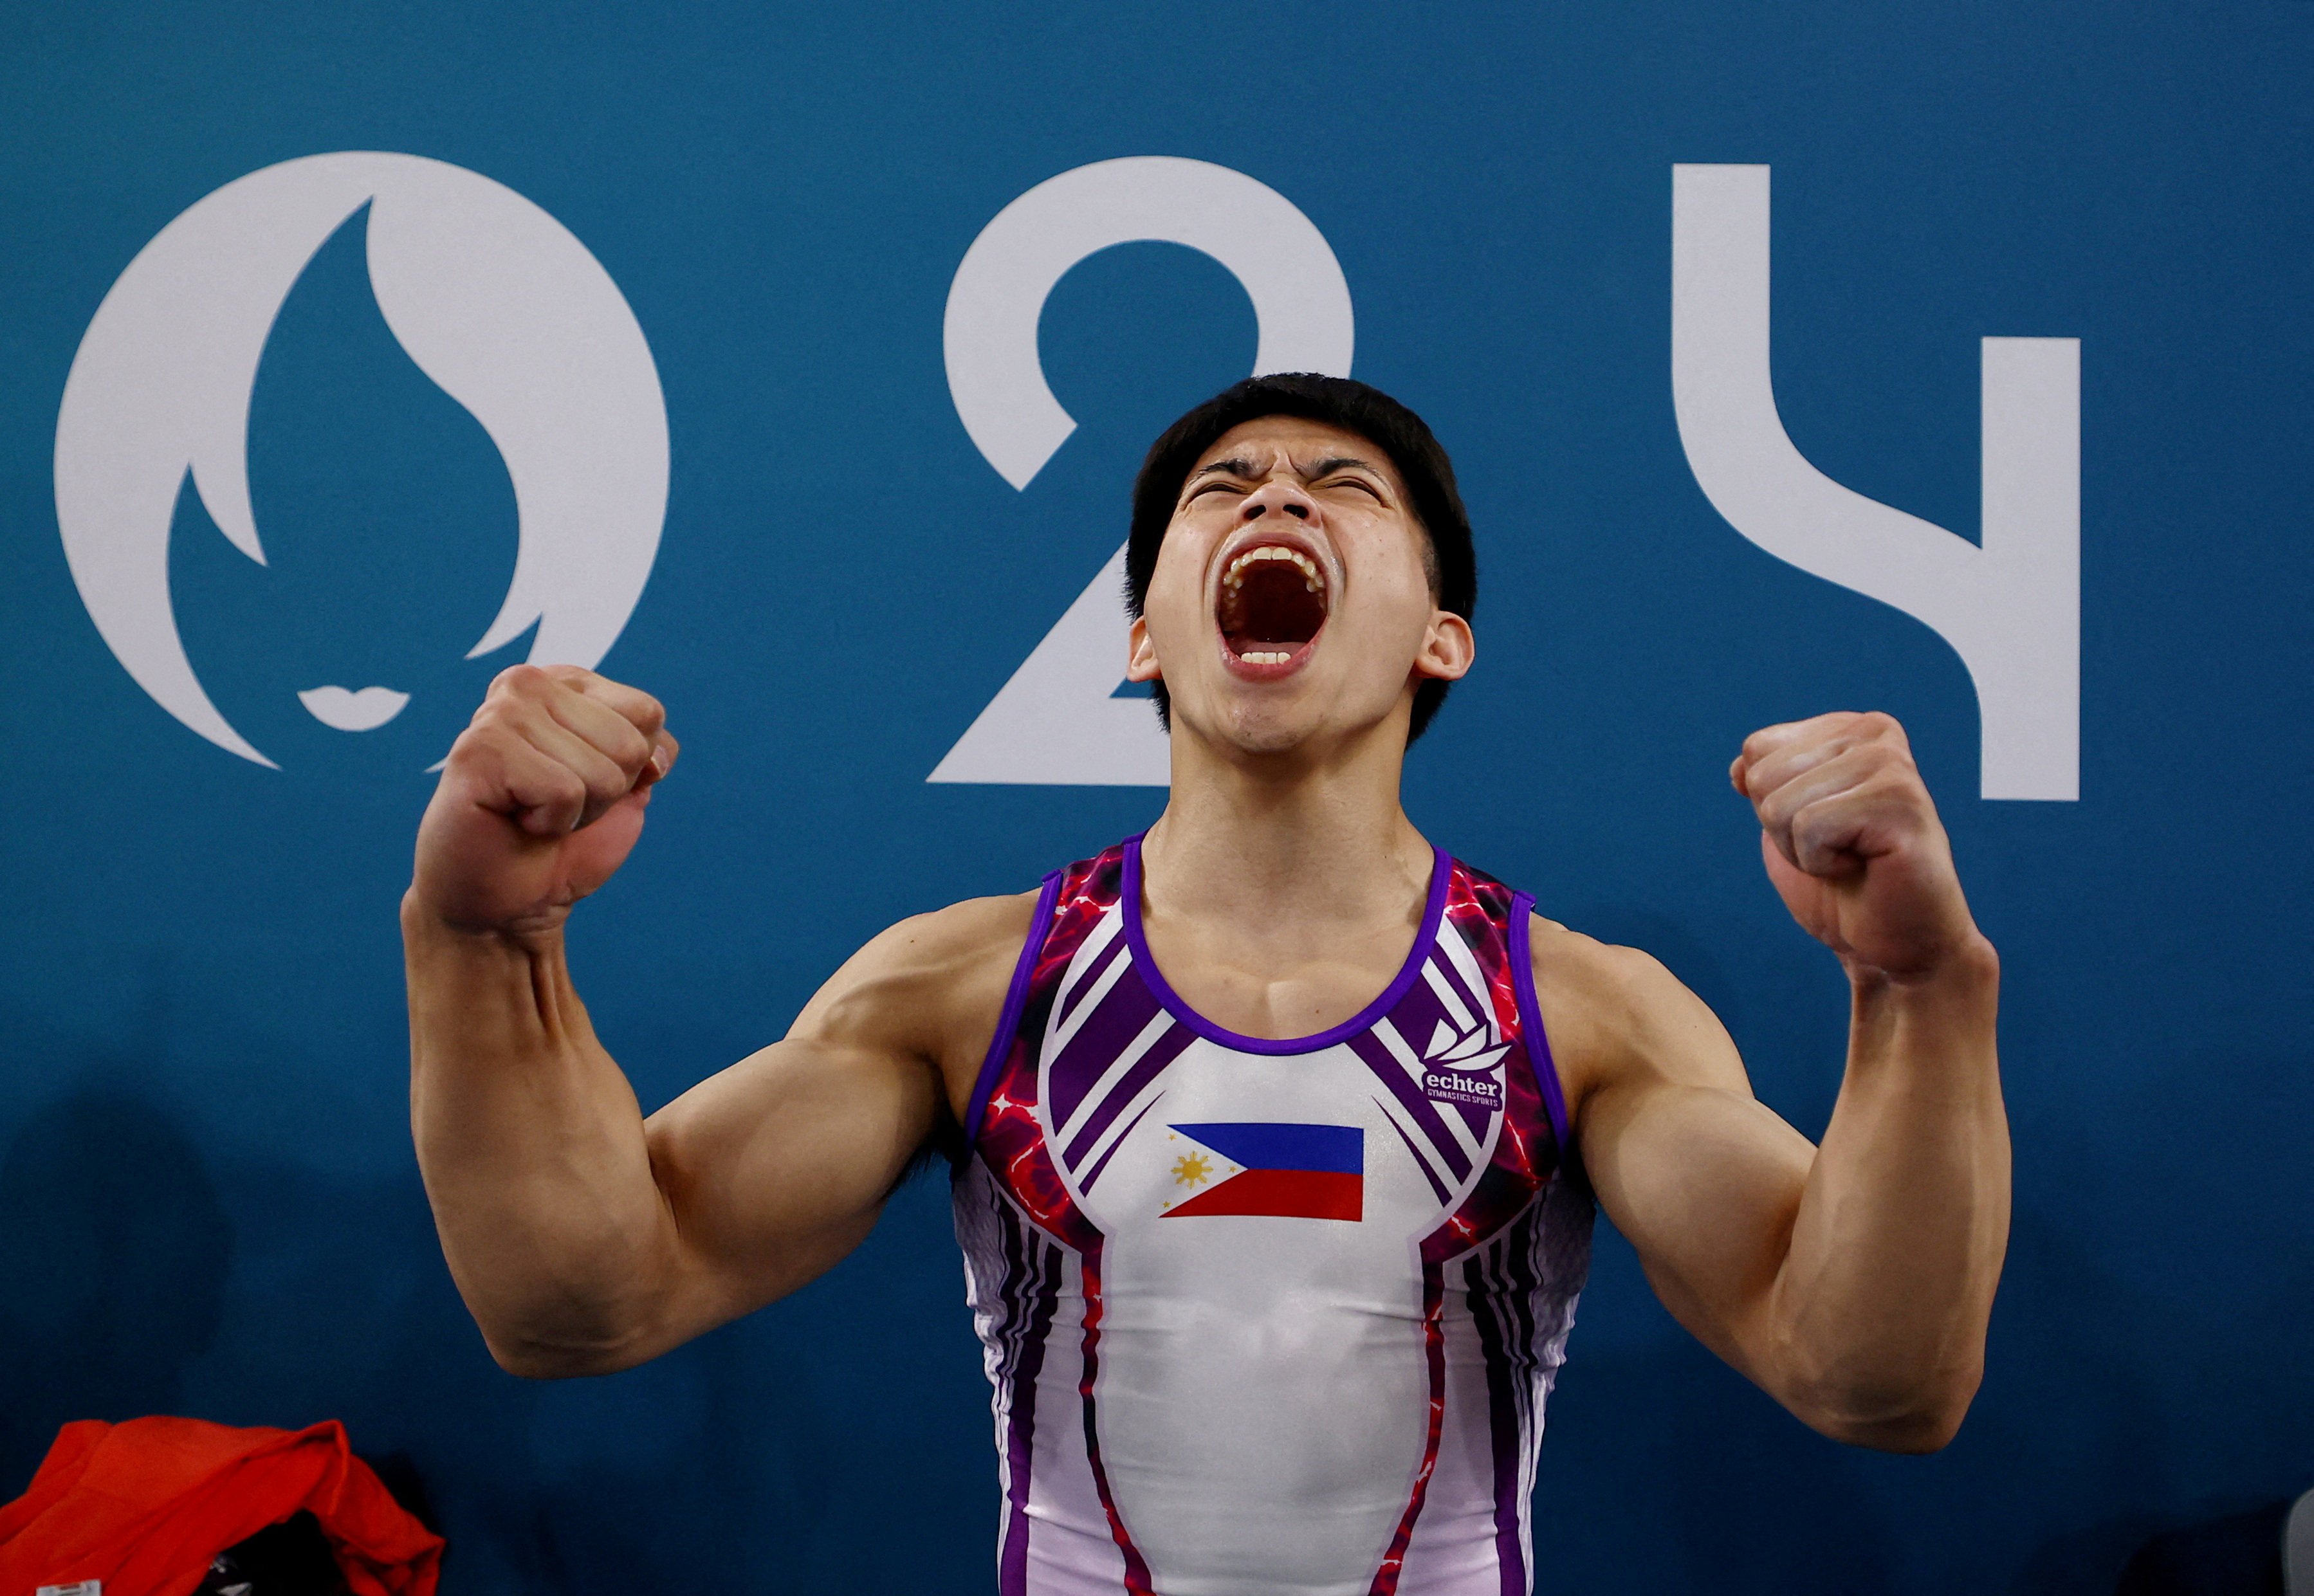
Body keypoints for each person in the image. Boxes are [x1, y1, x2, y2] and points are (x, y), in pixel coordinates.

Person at [404, 375, 2008, 1595]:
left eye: (1343, 487)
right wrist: (487, 943)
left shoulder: (1581, 1015)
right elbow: (578, 1301)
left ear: (1439, 638)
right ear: (1139, 636)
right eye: (1225, 487)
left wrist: (1916, 989)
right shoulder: (964, 990)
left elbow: (1875, 1378)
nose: (1278, 501)